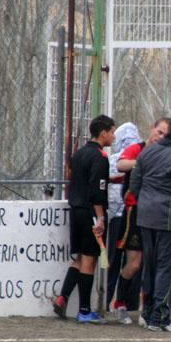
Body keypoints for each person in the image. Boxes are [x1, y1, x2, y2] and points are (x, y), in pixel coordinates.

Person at [130, 116, 171, 332]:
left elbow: (135, 183)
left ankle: (149, 313)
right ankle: (160, 318)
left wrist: (145, 203)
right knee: (165, 268)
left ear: (167, 133)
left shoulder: (147, 151)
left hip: (145, 217)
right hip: (169, 219)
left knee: (149, 266)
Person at [52, 114, 116, 323]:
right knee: (90, 260)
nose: (114, 137)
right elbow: (97, 191)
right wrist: (100, 218)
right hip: (90, 213)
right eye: (112, 132)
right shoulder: (100, 157)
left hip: (76, 210)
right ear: (104, 133)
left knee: (79, 259)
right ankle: (85, 311)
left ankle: (63, 297)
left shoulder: (79, 153)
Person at [112, 118, 169, 325]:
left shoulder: (166, 153)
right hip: (134, 211)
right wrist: (142, 162)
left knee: (153, 264)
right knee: (134, 264)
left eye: (165, 134)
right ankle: (119, 304)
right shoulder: (138, 149)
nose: (161, 137)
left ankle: (148, 309)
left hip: (157, 212)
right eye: (159, 132)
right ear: (152, 129)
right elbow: (120, 164)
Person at [106, 122, 140, 310]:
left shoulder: (114, 160)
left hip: (118, 218)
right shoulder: (140, 155)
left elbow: (109, 192)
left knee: (114, 260)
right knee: (134, 261)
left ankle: (108, 298)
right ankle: (131, 303)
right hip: (134, 215)